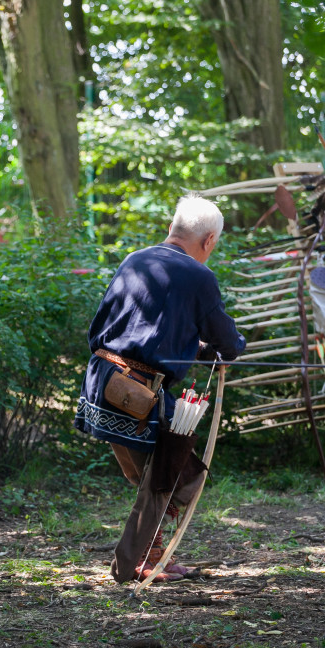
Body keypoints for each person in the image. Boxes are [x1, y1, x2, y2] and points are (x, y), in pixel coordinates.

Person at [74, 193, 246, 583]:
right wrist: (230, 348)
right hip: (137, 394)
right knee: (176, 475)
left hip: (102, 384)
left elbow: (136, 330)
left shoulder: (135, 260)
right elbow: (227, 340)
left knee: (164, 475)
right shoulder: (200, 276)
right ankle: (136, 563)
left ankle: (152, 555)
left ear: (172, 228)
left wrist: (197, 351)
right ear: (209, 242)